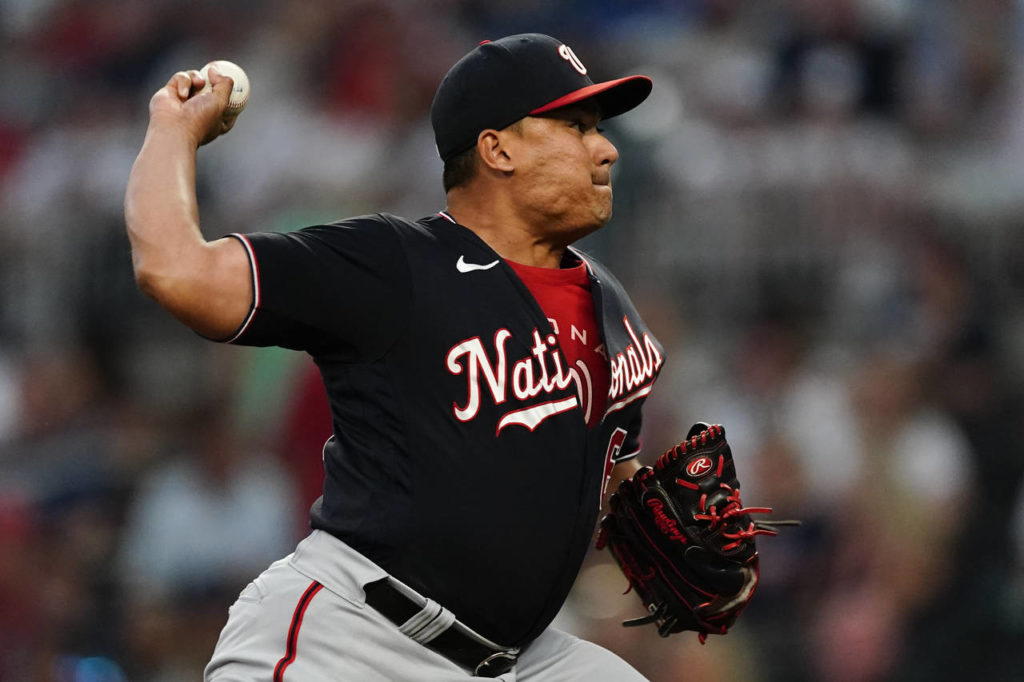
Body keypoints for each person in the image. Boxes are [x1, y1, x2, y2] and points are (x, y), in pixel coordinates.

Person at [125, 33, 661, 681]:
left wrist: (670, 534)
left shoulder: (609, 305)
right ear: (498, 149)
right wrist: (173, 129)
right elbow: (176, 272)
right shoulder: (395, 264)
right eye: (575, 126)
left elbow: (612, 474)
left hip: (517, 660)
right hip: (351, 640)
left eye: (597, 128)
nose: (605, 148)